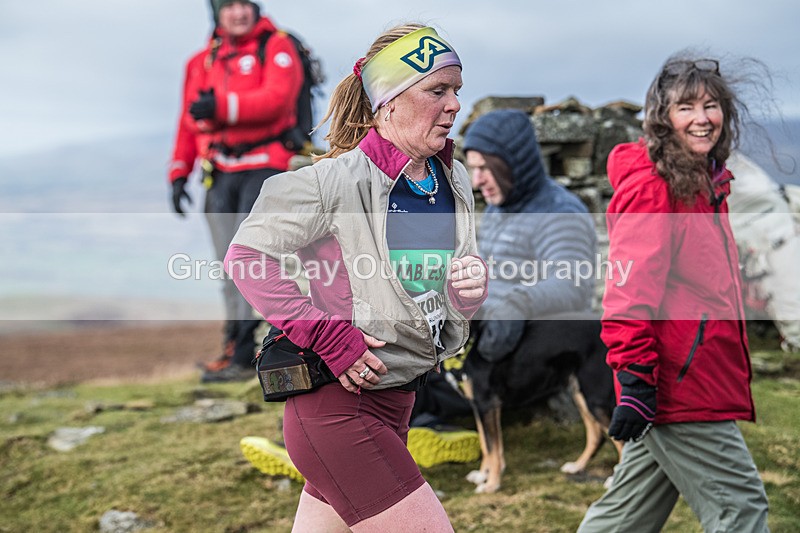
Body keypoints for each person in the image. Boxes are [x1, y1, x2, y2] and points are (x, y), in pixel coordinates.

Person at [224, 23, 487, 531]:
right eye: (438, 90)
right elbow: (247, 257)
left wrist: (463, 293)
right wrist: (325, 332)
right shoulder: (331, 183)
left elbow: (430, 295)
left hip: (397, 399)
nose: (454, 104)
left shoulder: (451, 180)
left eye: (457, 90)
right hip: (337, 408)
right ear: (388, 101)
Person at [578, 53, 770, 532]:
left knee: (625, 517)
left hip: (687, 377)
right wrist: (638, 382)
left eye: (711, 105)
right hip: (678, 385)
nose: (702, 119)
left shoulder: (704, 184)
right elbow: (627, 294)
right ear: (662, 118)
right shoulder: (653, 187)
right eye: (686, 107)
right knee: (741, 510)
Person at [406, 109, 598, 461]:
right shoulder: (499, 207)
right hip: (487, 336)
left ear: (514, 163)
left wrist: (514, 303)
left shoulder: (560, 212)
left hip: (525, 353)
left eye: (485, 168)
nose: (477, 179)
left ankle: (428, 431)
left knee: (423, 378)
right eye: (473, 168)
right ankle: (416, 429)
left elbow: (573, 286)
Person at [167, 0, 304, 382]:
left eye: (246, 3)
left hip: (266, 167)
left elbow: (277, 100)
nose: (239, 12)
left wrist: (222, 106)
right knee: (227, 265)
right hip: (219, 172)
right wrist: (179, 171)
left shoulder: (277, 46)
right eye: (229, 5)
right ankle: (236, 349)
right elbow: (188, 119)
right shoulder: (200, 63)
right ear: (217, 12)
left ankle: (256, 351)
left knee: (255, 262)